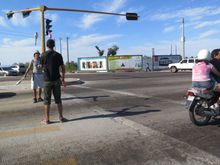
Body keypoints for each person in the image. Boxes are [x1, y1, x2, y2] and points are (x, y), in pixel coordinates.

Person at [41, 39, 67, 124]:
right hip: (56, 80)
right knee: (58, 99)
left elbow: (40, 67)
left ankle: (47, 119)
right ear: (54, 45)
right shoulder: (58, 55)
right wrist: (62, 79)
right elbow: (63, 68)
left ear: (47, 46)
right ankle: (61, 117)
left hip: (47, 80)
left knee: (46, 100)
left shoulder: (43, 55)